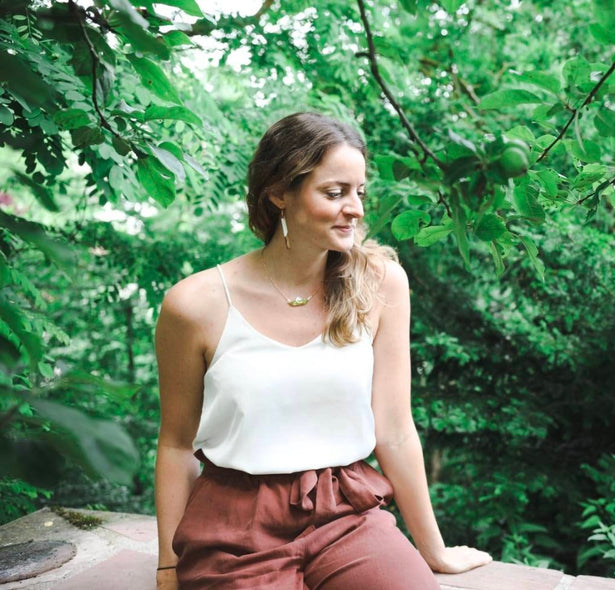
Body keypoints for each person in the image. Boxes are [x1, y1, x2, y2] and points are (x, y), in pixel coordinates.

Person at [154, 111, 492, 589]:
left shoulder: (381, 285)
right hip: (235, 525)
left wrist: (433, 549)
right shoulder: (194, 305)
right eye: (334, 193)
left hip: (345, 514)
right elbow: (175, 444)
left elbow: (394, 430)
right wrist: (168, 566)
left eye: (359, 192)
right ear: (278, 194)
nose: (354, 208)